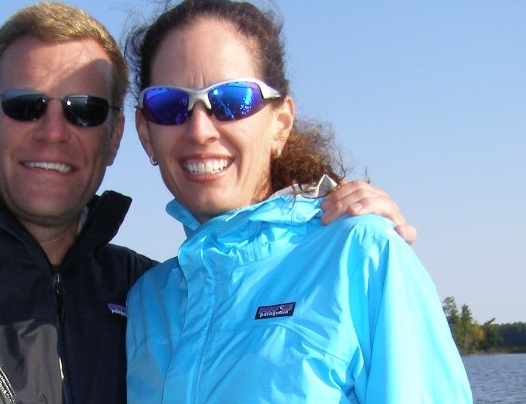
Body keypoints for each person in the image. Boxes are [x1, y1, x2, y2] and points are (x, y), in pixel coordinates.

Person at [0, 2, 416, 404]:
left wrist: (336, 222)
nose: (53, 131)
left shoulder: (148, 294)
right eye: (26, 105)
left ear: (117, 136)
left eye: (84, 111)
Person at [123, 0, 472, 403]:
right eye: (169, 105)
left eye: (231, 100)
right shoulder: (147, 302)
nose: (199, 130)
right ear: (146, 133)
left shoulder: (363, 255)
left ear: (280, 123)